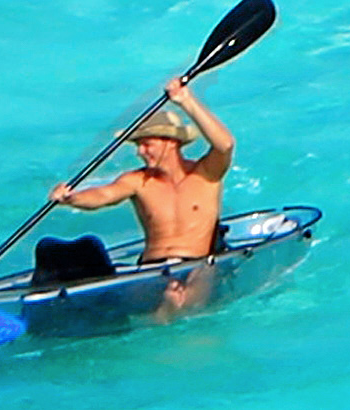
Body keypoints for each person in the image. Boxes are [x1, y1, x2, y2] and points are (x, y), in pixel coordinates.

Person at [47, 77, 235, 316]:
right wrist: (71, 198)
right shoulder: (138, 180)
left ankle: (169, 312)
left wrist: (185, 100)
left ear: (170, 142)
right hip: (150, 270)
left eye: (146, 144)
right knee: (147, 308)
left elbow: (225, 145)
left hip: (196, 264)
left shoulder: (206, 173)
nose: (139, 152)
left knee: (181, 303)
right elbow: (105, 194)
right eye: (138, 146)